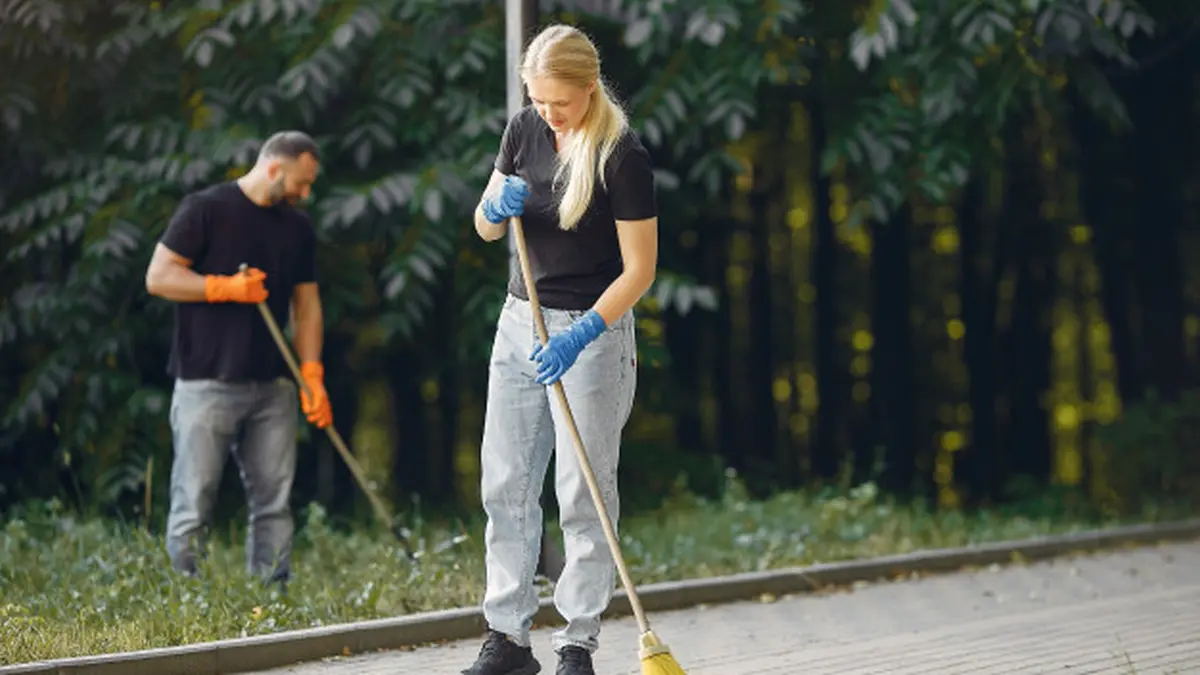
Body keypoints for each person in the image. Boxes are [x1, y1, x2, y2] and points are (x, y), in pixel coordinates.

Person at [465, 24, 658, 675]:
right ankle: (507, 638)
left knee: (583, 493)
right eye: (539, 100)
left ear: (590, 87)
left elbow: (640, 270)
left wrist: (583, 333)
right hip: (519, 322)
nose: (548, 113)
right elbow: (485, 226)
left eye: (561, 103)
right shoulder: (524, 129)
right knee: (507, 483)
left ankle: (576, 643)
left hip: (591, 333)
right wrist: (495, 207)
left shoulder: (622, 157)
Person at [144, 130, 333, 589]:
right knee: (194, 498)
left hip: (273, 386)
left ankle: (273, 595)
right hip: (205, 381)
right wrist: (221, 287)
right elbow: (159, 277)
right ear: (275, 168)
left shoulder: (297, 227)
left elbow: (307, 306)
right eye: (301, 182)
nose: (306, 193)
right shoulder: (205, 209)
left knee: (274, 502)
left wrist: (312, 373)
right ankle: (185, 597)